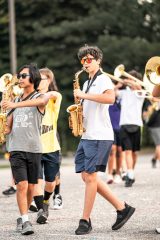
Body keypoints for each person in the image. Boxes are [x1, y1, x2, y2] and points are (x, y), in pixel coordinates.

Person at [73, 44, 135, 235]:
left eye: (89, 59)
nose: (86, 63)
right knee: (86, 176)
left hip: (100, 135)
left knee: (91, 177)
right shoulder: (85, 82)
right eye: (83, 60)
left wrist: (84, 96)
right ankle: (122, 208)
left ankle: (85, 220)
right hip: (87, 134)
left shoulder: (104, 80)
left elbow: (109, 99)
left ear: (98, 60)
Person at [2, 63, 49, 235]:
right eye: (19, 76)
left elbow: (43, 101)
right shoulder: (13, 100)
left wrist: (14, 105)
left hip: (34, 149)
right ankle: (26, 219)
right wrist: (3, 120)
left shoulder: (40, 96)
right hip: (16, 148)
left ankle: (22, 218)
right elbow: (8, 128)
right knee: (21, 185)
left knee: (31, 187)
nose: (20, 79)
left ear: (33, 78)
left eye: (23, 76)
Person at [32, 68, 62, 223]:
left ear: (49, 81)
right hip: (34, 148)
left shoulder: (54, 97)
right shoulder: (30, 97)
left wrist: (41, 95)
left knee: (50, 182)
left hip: (51, 147)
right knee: (36, 181)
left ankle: (45, 202)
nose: (38, 81)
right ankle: (41, 211)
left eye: (42, 79)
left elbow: (54, 94)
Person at [117, 70, 144, 187]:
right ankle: (130, 174)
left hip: (137, 124)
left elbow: (137, 86)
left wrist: (128, 80)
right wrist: (118, 84)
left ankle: (131, 172)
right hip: (124, 124)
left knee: (134, 152)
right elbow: (113, 93)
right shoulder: (124, 93)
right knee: (127, 150)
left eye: (133, 79)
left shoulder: (141, 92)